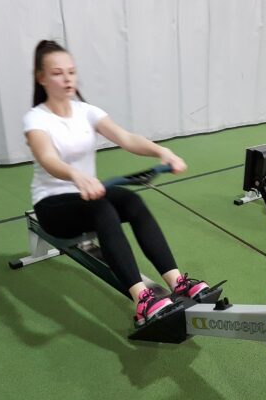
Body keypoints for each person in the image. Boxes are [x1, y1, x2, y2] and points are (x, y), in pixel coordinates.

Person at [23, 40, 208, 328]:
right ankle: (142, 299)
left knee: (132, 201)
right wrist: (75, 175)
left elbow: (126, 138)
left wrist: (162, 151)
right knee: (102, 210)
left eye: (71, 71)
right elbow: (47, 157)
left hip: (89, 194)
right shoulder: (36, 119)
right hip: (53, 204)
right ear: (42, 78)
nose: (67, 78)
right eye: (57, 73)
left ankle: (177, 281)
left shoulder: (86, 111)